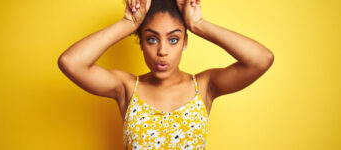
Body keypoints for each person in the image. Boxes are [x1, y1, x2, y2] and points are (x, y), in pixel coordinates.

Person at [57, 0, 274, 149]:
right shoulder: (126, 87)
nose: (162, 51)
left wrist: (198, 24)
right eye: (152, 39)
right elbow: (71, 63)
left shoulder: (205, 86)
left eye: (173, 39)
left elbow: (261, 59)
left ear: (185, 42)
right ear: (140, 42)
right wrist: (129, 23)